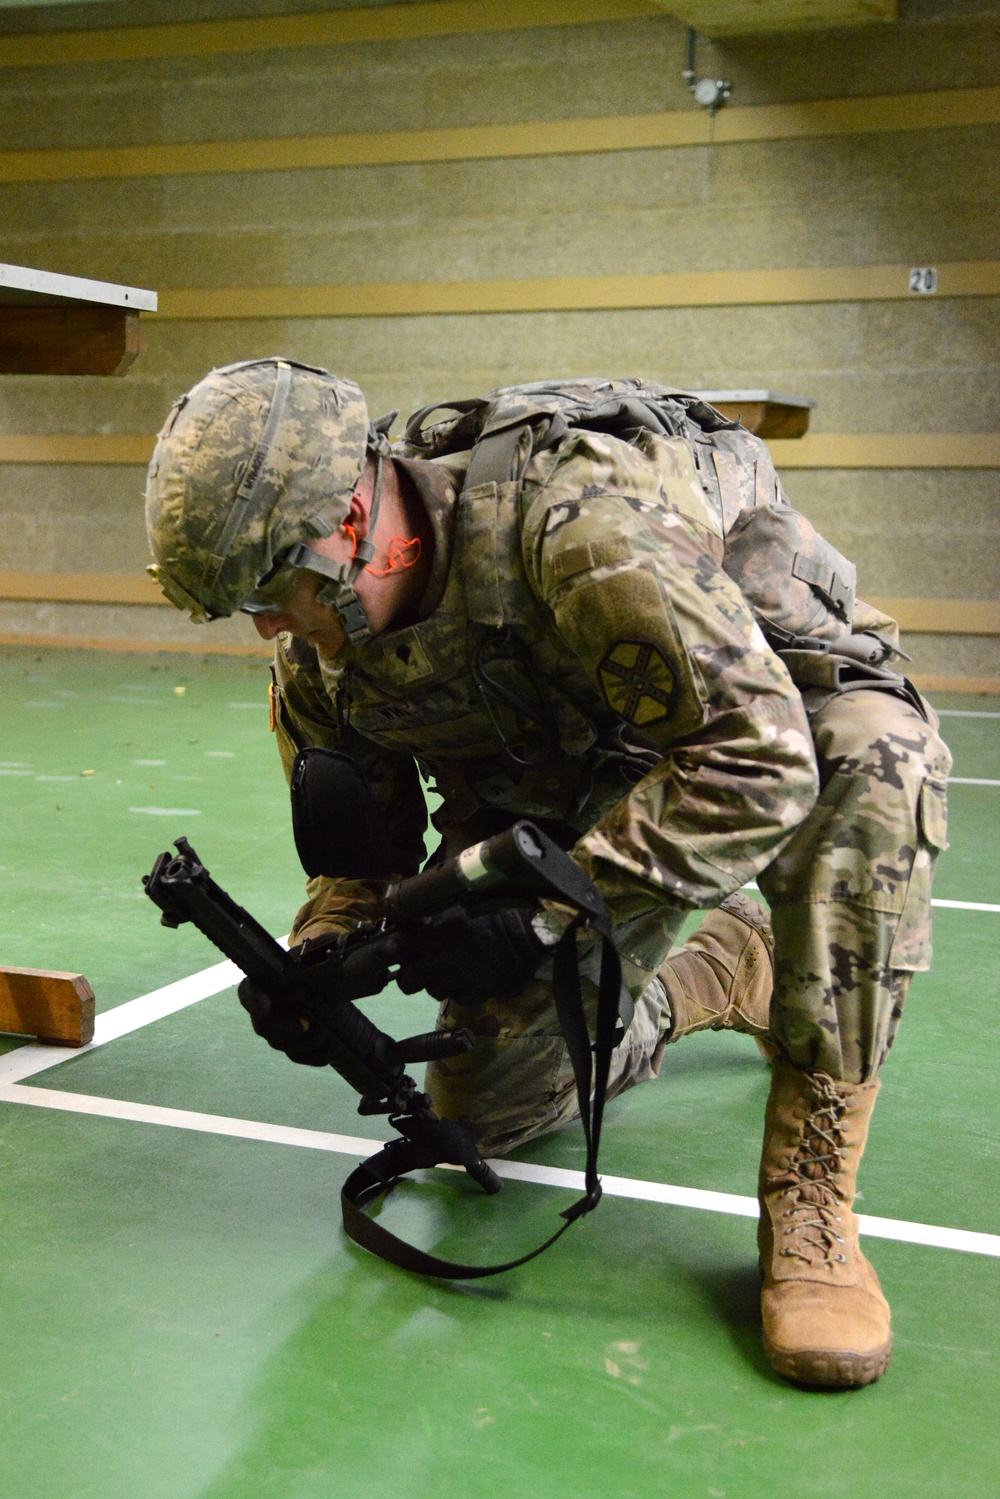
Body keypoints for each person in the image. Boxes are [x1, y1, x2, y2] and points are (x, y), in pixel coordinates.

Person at [145, 358, 950, 1390]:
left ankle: (812, 1198)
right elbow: (361, 856)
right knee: (487, 1107)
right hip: (564, 768)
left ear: (347, 523)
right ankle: (723, 968)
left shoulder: (578, 529)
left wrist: (540, 918)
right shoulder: (318, 656)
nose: (264, 626)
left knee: (875, 766)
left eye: (267, 589)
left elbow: (759, 756)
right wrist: (322, 952)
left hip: (748, 712)